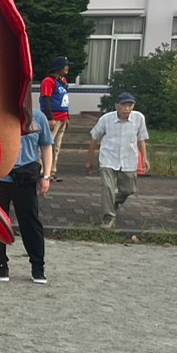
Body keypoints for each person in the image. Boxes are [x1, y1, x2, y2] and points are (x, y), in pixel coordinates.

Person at [0, 108, 55, 283]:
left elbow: (46, 145)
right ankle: (1, 265)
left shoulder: (37, 117)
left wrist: (46, 176)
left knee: (30, 223)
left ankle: (38, 267)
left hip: (25, 177)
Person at [87, 93, 151, 229]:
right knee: (108, 187)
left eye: (130, 105)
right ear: (117, 106)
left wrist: (144, 158)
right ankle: (108, 217)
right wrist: (90, 160)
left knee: (128, 189)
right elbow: (94, 138)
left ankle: (111, 202)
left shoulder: (138, 118)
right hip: (108, 158)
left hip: (129, 159)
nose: (126, 109)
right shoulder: (106, 119)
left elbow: (141, 139)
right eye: (123, 105)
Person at [39, 56, 72, 179]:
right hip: (54, 117)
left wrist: (67, 117)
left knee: (56, 146)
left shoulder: (63, 82)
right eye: (65, 66)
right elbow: (46, 99)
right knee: (47, 144)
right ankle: (42, 170)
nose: (67, 68)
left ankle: (52, 170)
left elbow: (65, 101)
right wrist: (50, 117)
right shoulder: (49, 81)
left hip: (62, 118)